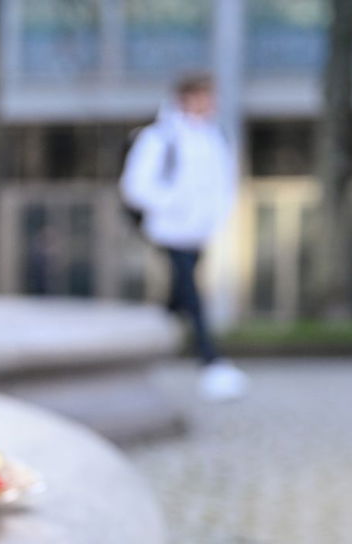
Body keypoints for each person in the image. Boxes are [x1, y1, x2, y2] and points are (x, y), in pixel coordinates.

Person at [120, 73, 247, 402]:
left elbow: (222, 183)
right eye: (203, 97)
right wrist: (174, 205)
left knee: (178, 300)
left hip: (199, 230)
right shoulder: (161, 137)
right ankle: (211, 361)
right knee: (192, 291)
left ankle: (141, 347)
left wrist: (213, 217)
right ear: (185, 98)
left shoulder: (214, 135)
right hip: (170, 229)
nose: (208, 104)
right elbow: (135, 186)